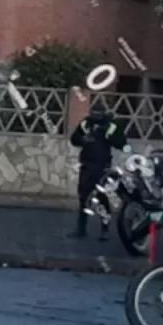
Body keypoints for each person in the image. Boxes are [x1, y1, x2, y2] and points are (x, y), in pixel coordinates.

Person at [68, 102, 126, 239]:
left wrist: (108, 137)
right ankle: (81, 229)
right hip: (87, 164)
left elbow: (121, 142)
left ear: (103, 113)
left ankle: (104, 230)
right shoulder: (86, 123)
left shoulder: (110, 125)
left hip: (103, 167)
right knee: (84, 197)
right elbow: (74, 139)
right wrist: (83, 139)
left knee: (102, 198)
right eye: (93, 112)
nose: (94, 115)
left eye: (97, 113)